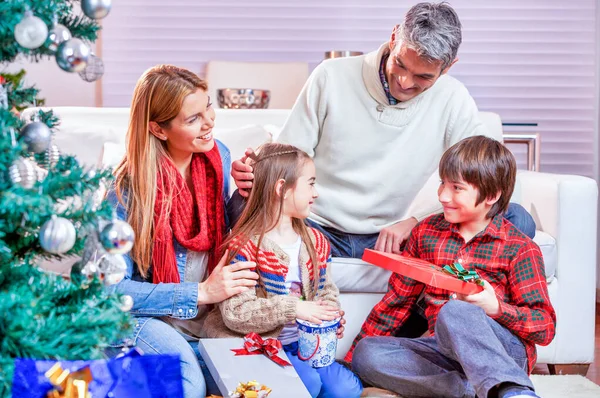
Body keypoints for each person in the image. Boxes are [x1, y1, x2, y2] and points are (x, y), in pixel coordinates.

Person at [230, 2, 536, 261]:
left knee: (515, 219)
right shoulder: (332, 76)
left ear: (448, 67)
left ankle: (449, 301)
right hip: (314, 225)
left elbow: (487, 176)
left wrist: (414, 222)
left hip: (398, 236)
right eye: (400, 64)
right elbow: (290, 150)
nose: (404, 81)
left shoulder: (453, 97)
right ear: (393, 37)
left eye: (423, 77)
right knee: (241, 203)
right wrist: (257, 169)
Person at [348, 136, 556, 398]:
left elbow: (544, 327)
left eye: (456, 188)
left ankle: (513, 390)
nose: (443, 196)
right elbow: (395, 303)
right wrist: (350, 361)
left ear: (491, 195)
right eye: (442, 184)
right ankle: (475, 391)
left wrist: (495, 308)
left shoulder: (519, 247)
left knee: (456, 310)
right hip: (442, 351)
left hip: (503, 353)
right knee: (368, 354)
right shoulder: (426, 233)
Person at [105, 65, 259, 398]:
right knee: (189, 384)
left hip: (205, 317)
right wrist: (201, 292)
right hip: (144, 318)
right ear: (158, 130)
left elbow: (221, 229)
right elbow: (108, 291)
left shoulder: (218, 157)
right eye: (193, 119)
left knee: (253, 384)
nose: (209, 123)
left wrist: (247, 195)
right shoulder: (124, 192)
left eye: (208, 108)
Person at [203, 143, 363, 398]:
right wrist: (294, 308)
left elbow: (327, 290)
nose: (316, 193)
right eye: (310, 183)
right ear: (282, 188)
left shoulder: (316, 241)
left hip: (300, 344)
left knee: (346, 389)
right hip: (256, 345)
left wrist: (328, 317)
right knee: (306, 384)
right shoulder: (243, 247)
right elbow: (236, 313)